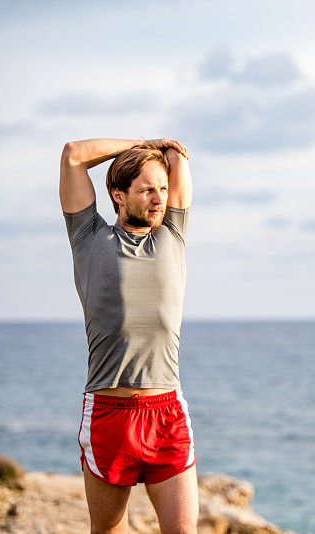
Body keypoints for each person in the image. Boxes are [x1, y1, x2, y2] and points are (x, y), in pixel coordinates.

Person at [59, 137, 197, 534]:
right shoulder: (88, 238)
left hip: (166, 412)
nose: (159, 199)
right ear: (118, 195)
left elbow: (177, 156)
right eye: (147, 189)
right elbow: (73, 155)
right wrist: (141, 143)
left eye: (163, 188)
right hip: (108, 414)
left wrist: (161, 154)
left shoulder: (173, 235)